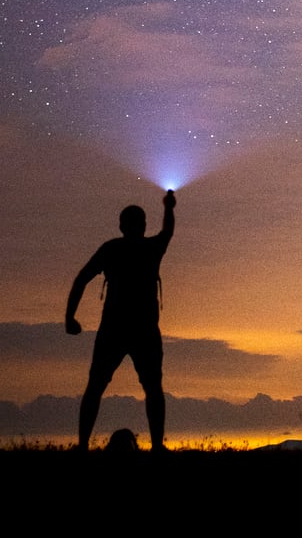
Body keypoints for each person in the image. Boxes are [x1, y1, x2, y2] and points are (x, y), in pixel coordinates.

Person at [66, 190, 176, 450]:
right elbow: (168, 232)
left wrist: (70, 316)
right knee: (151, 387)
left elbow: (82, 278)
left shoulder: (111, 249)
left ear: (121, 225)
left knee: (97, 386)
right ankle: (157, 446)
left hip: (116, 329)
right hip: (141, 330)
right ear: (142, 225)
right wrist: (169, 208)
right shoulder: (150, 248)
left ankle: (83, 446)